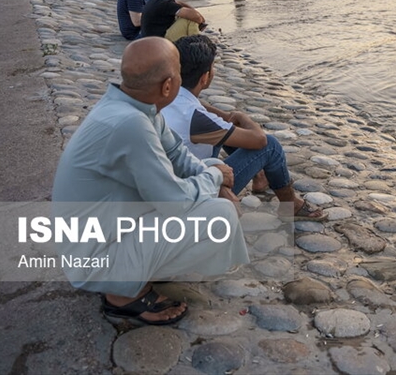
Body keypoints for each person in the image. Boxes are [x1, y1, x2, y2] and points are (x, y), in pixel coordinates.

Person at [51, 37, 248, 325]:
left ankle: (137, 270)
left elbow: (178, 155)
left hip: (106, 230)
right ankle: (123, 295)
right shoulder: (131, 124)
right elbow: (175, 202)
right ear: (168, 86)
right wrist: (215, 179)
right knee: (220, 215)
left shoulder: (135, 107)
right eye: (179, 71)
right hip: (93, 258)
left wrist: (213, 176)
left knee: (208, 167)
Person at [163, 35, 326, 218]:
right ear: (205, 77)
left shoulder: (166, 95)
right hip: (193, 195)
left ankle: (260, 177)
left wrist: (226, 117)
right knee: (271, 146)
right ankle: (292, 205)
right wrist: (243, 117)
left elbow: (199, 109)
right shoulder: (196, 118)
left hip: (170, 183)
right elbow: (260, 140)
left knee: (225, 130)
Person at [140, 0, 205, 42]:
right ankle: (197, 45)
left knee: (184, 15)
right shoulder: (167, 3)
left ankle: (193, 42)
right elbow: (195, 16)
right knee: (190, 19)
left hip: (149, 38)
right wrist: (201, 21)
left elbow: (178, 3)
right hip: (160, 41)